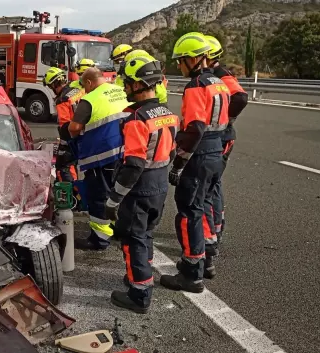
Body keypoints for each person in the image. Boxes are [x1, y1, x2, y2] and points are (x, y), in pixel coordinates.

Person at [106, 53, 178, 313]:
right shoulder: (168, 113)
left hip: (139, 187)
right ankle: (142, 277)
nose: (124, 88)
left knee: (132, 238)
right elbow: (171, 152)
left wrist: (114, 198)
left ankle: (139, 294)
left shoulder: (136, 119)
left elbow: (133, 164)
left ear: (137, 85)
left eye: (126, 83)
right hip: (159, 184)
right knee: (146, 234)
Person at [159, 32, 230, 293]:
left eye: (181, 61)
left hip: (199, 156)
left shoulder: (196, 86)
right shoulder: (219, 83)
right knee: (206, 205)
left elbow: (196, 128)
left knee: (189, 213)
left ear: (193, 59)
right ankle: (207, 262)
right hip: (216, 153)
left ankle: (191, 274)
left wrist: (179, 162)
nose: (179, 66)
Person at [68, 67, 131, 250]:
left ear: (89, 82)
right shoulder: (120, 90)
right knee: (120, 192)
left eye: (84, 86)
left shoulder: (90, 99)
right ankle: (120, 229)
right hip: (127, 150)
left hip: (102, 155)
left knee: (98, 195)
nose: (84, 90)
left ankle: (100, 238)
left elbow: (74, 128)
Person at [205, 35, 249, 243]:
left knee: (210, 184)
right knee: (213, 182)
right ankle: (216, 226)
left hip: (221, 137)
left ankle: (214, 230)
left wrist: (226, 119)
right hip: (215, 136)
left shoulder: (221, 75)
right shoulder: (210, 74)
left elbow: (240, 97)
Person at [43, 67, 85, 183]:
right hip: (84, 134)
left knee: (63, 167)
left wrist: (63, 146)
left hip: (72, 138)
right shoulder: (77, 90)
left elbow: (65, 125)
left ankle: (71, 194)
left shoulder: (62, 100)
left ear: (55, 84)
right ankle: (77, 190)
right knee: (74, 165)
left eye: (51, 86)